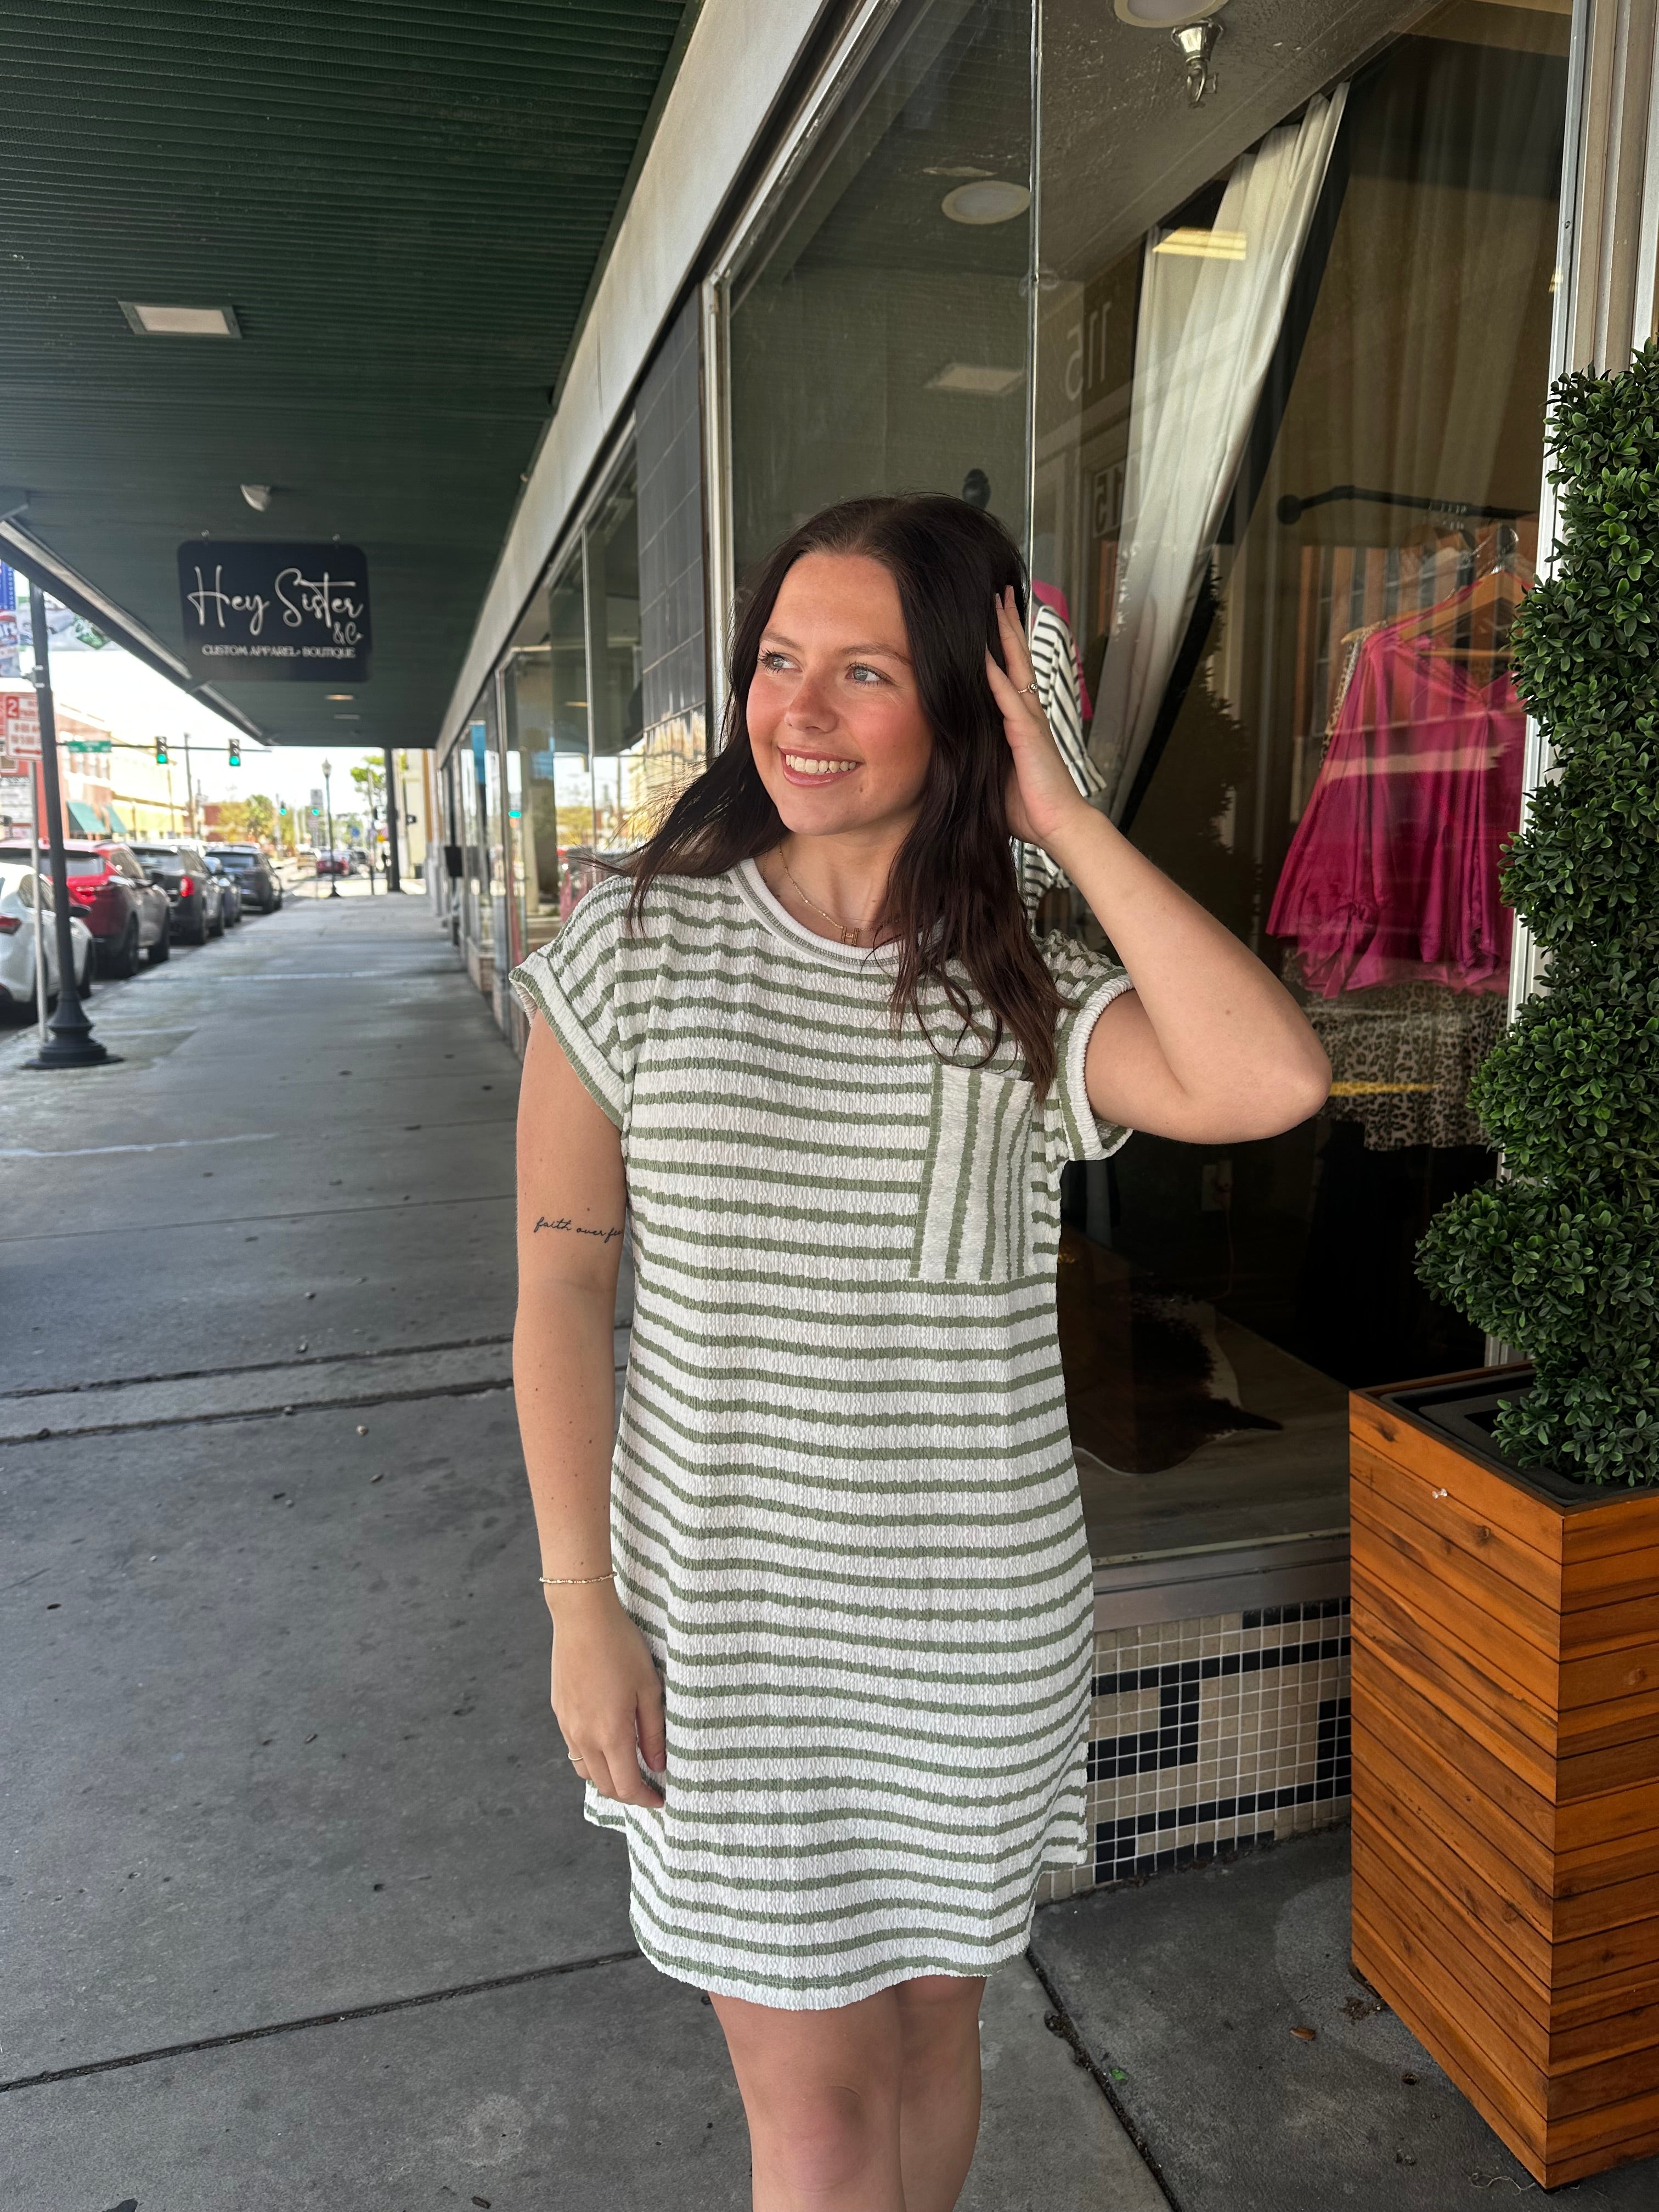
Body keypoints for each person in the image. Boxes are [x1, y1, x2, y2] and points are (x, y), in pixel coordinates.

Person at [510, 493, 1330, 2211]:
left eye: (865, 672)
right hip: (727, 1639)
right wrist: (583, 1608)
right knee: (814, 2120)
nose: (796, 711)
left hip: (972, 1634)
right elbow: (563, 1289)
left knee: (936, 2038)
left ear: (971, 706)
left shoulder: (1023, 991)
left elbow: (1271, 1079)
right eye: (777, 660)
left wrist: (1063, 817)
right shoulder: (637, 947)